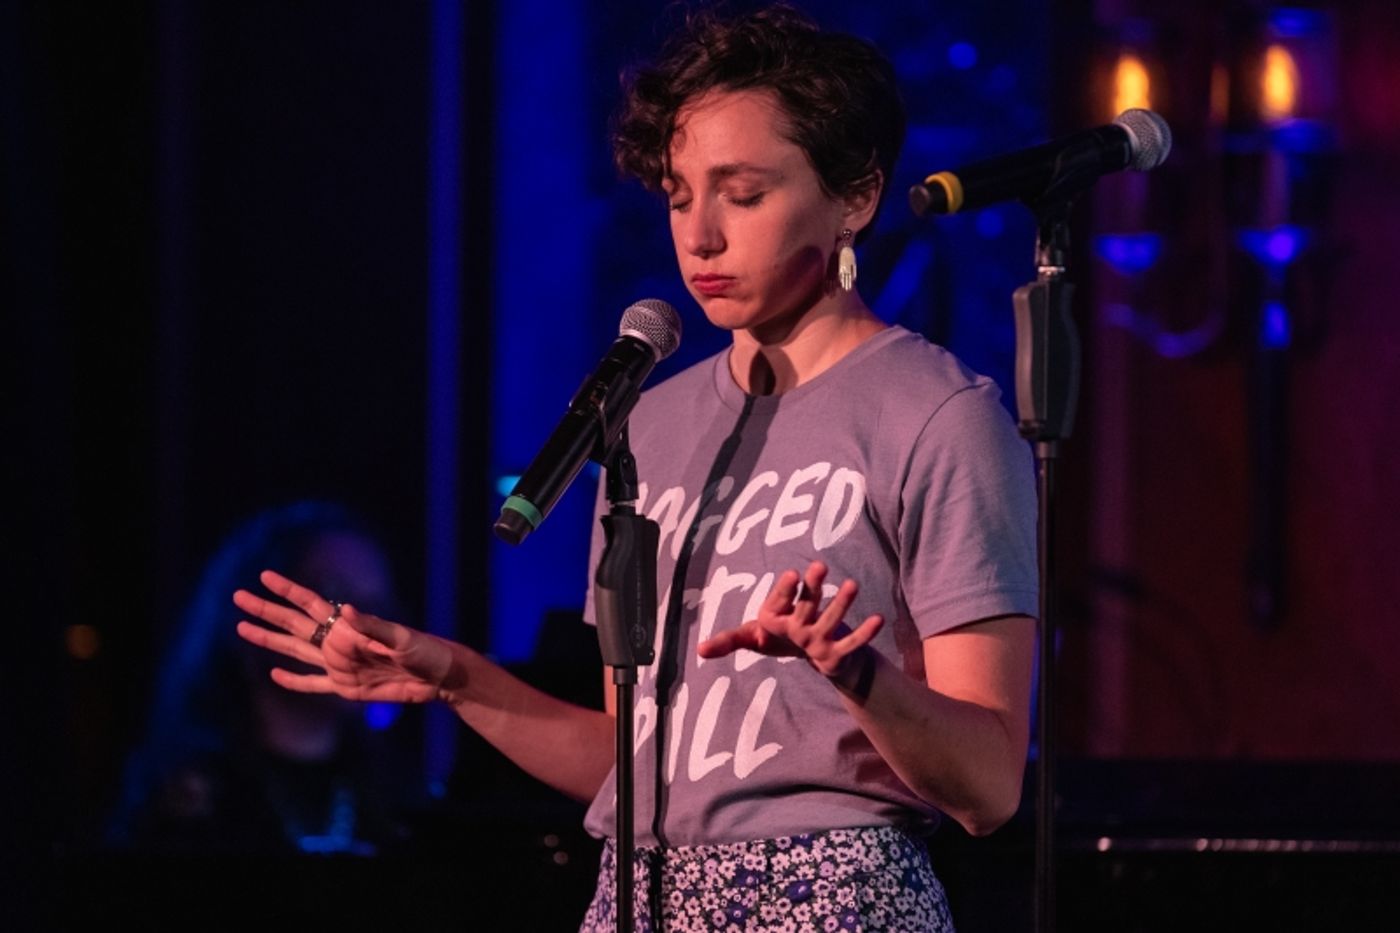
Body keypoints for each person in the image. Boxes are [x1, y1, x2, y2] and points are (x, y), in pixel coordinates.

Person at [234, 6, 1036, 929]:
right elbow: (636, 762)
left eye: (742, 193)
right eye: (678, 193)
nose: (699, 236)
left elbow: (988, 785)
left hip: (836, 894)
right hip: (640, 896)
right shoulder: (651, 421)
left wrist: (856, 676)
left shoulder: (939, 415)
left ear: (854, 195)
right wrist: (452, 676)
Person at [111, 500, 423, 855]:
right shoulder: (187, 795)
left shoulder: (397, 796)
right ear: (259, 613)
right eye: (335, 602)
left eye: (376, 606)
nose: (360, 631)